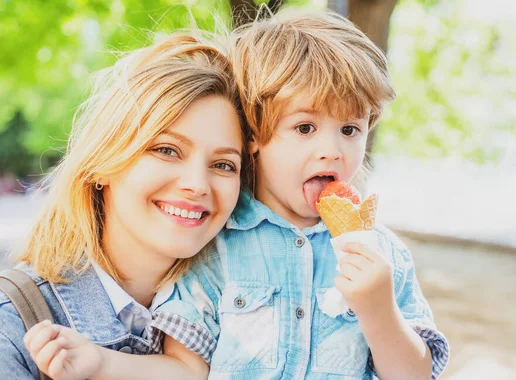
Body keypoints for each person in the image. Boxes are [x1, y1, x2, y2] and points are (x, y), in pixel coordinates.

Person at [25, 11, 450, 380]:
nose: (333, 150)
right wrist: (100, 363)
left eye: (351, 130)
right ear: (255, 137)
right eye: (305, 128)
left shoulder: (383, 254)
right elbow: (186, 370)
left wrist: (379, 312)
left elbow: (414, 373)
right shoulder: (213, 248)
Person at [0, 31, 249, 380]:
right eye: (166, 150)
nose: (197, 184)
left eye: (224, 164)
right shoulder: (12, 326)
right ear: (105, 161)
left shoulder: (253, 322)